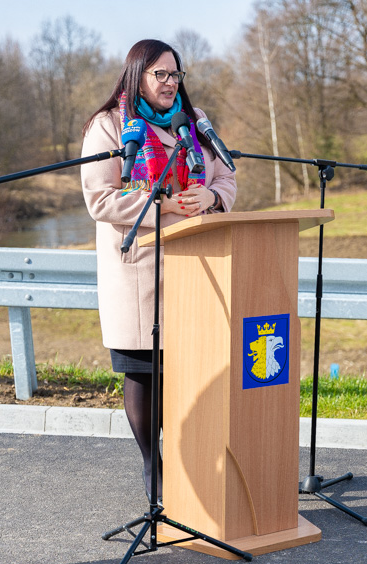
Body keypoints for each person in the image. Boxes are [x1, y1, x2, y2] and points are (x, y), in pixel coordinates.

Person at [80, 39, 236, 501]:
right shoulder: (109, 126)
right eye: (160, 75)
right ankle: (155, 470)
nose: (171, 84)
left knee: (189, 371)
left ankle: (194, 471)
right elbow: (100, 199)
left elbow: (226, 174)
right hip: (140, 269)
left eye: (175, 75)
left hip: (196, 266)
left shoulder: (194, 122)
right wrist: (161, 204)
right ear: (138, 77)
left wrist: (211, 197)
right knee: (145, 371)